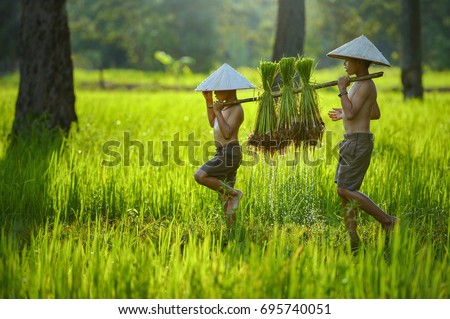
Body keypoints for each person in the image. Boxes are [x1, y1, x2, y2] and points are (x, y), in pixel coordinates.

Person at [326, 35, 397, 249]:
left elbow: (352, 109)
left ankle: (388, 220)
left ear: (359, 62)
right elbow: (373, 113)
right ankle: (353, 238)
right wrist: (345, 114)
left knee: (345, 190)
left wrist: (342, 90)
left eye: (348, 61)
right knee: (345, 191)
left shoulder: (363, 85)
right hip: (352, 140)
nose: (345, 65)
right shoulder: (363, 84)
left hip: (358, 142)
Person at [193, 63, 255, 226]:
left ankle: (235, 194)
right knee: (224, 198)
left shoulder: (237, 109)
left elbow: (227, 132)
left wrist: (218, 110)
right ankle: (232, 232)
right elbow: (213, 122)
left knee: (200, 175)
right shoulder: (225, 106)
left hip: (230, 152)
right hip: (221, 152)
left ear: (228, 89)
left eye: (217, 89)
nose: (214, 93)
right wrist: (209, 103)